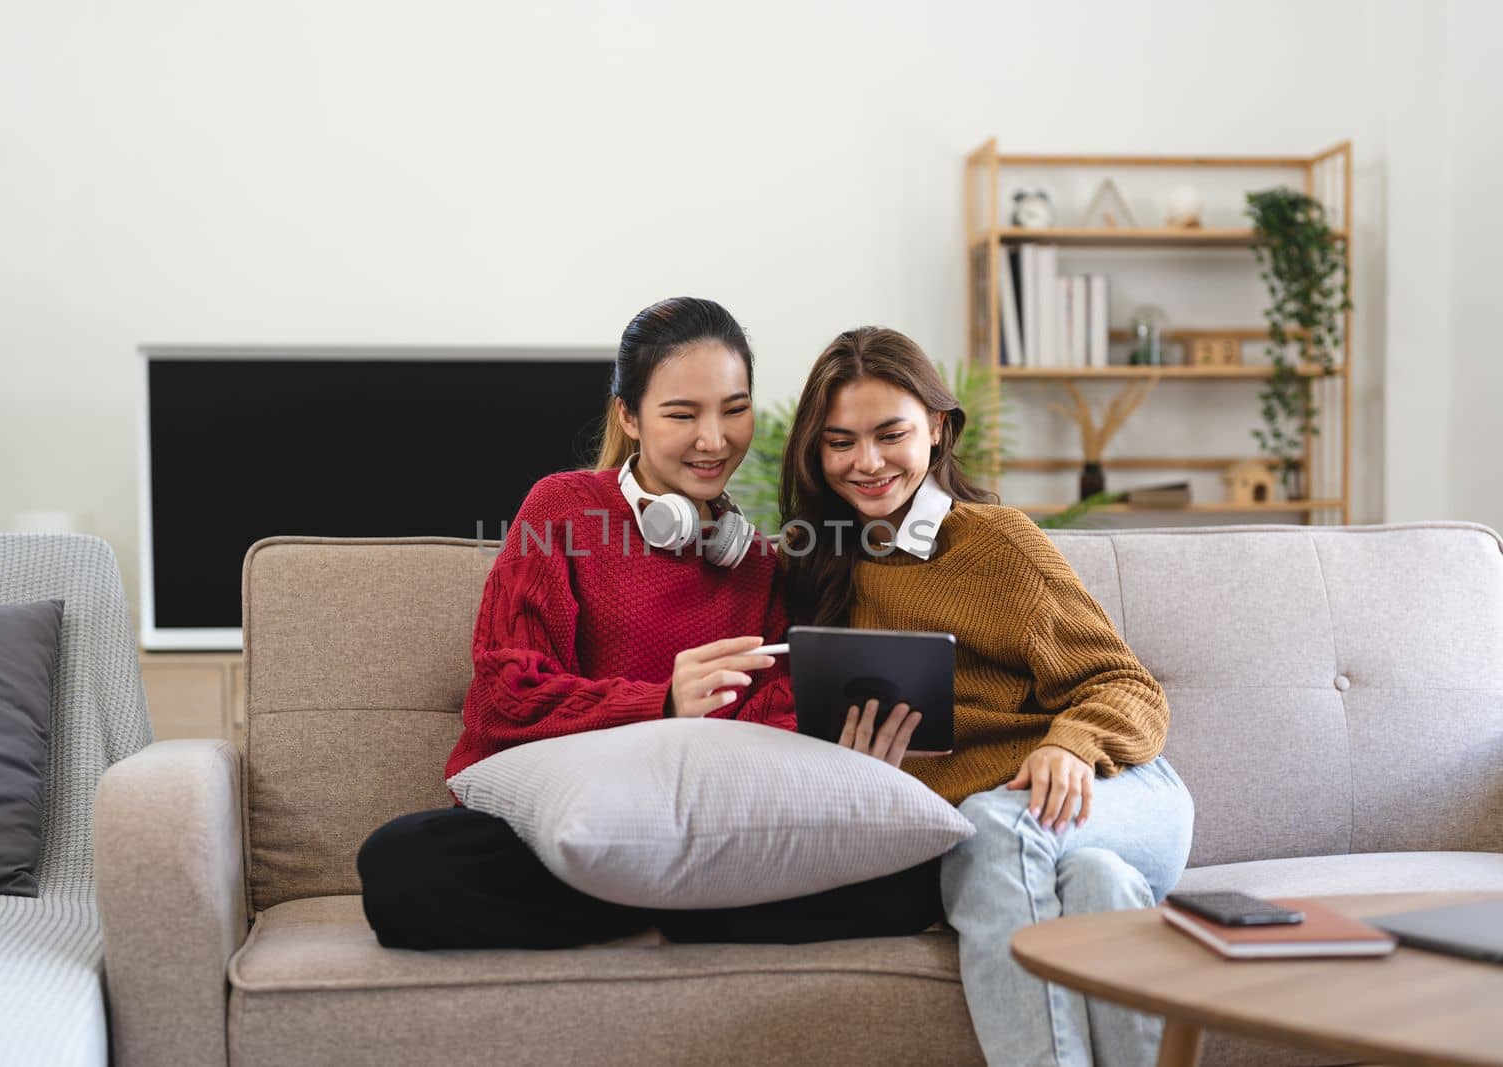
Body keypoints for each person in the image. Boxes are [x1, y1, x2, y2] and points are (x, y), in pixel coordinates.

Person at [356, 298, 939, 950]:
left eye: (734, 408)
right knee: (401, 863)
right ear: (629, 416)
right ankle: (685, 912)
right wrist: (661, 700)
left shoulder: (761, 563)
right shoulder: (564, 510)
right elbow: (504, 691)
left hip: (697, 825)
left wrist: (840, 750)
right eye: (682, 414)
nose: (714, 439)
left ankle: (648, 906)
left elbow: (772, 718)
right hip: (561, 825)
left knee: (914, 879)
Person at [778, 326, 1195, 1067]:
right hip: (1042, 845)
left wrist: (1071, 742)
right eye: (839, 441)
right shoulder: (818, 569)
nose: (865, 462)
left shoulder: (995, 545)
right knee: (1096, 885)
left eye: (890, 434)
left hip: (1116, 792)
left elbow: (1129, 687)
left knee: (992, 828)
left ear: (937, 428)